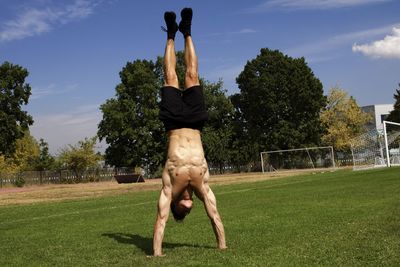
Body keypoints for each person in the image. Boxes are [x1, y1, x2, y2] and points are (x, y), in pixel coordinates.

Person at [152, 7, 227, 257]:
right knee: (192, 74)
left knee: (171, 75)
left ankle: (172, 34)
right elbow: (214, 213)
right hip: (195, 123)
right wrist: (222, 244)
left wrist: (157, 252)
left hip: (173, 122)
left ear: (176, 204)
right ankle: (188, 32)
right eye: (191, 204)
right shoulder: (201, 185)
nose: (190, 202)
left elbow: (161, 221)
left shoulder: (168, 188)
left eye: (186, 205)